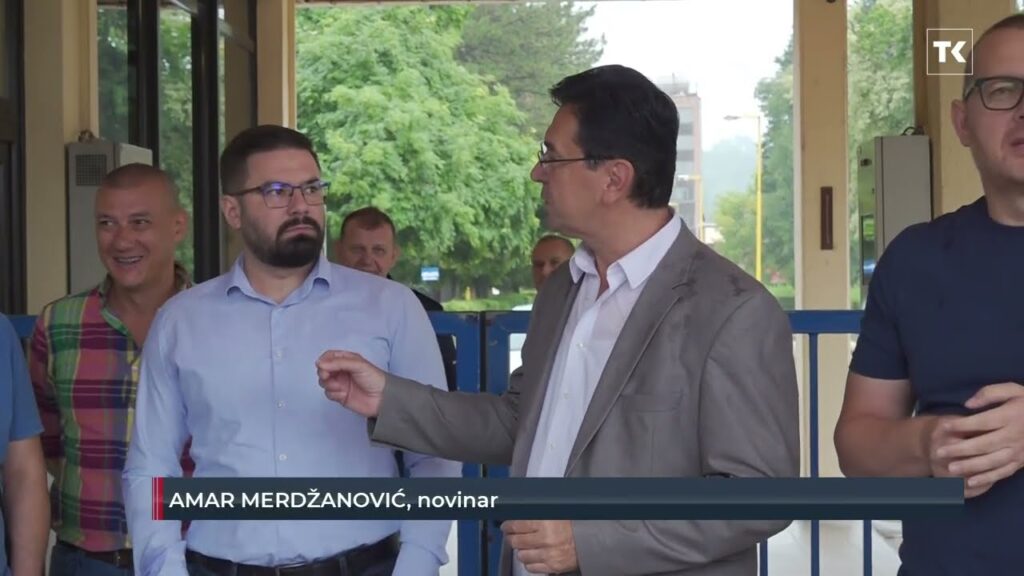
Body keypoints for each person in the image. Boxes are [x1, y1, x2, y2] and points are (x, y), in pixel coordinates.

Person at [317, 65, 799, 576]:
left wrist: (588, 543)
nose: (537, 172)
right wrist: (389, 399)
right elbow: (519, 422)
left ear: (614, 178)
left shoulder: (733, 310)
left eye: (550, 155)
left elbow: (759, 495)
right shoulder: (564, 289)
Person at [122, 125, 459, 576]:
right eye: (277, 192)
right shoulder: (181, 321)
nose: (301, 206)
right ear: (232, 211)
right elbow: (151, 466)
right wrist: (164, 568)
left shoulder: (390, 307)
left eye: (312, 188)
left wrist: (417, 562)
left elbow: (434, 450)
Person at [834, 14, 1024, 576]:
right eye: (1002, 90)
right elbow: (856, 445)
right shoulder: (915, 260)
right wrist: (925, 443)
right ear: (962, 121)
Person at [30, 164, 191, 576]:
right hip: (84, 562)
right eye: (107, 223)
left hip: (195, 558)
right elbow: (45, 442)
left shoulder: (217, 322)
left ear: (178, 226)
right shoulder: (59, 324)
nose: (122, 240)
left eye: (140, 222)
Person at [334, 207, 458, 391]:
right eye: (358, 250)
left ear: (394, 255)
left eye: (378, 250)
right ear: (338, 250)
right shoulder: (314, 304)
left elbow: (444, 394)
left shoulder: (427, 311)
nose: (367, 260)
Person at [0, 313, 48, 576]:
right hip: (88, 555)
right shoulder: (60, 322)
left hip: (172, 540)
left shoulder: (1, 334)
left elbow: (24, 474)